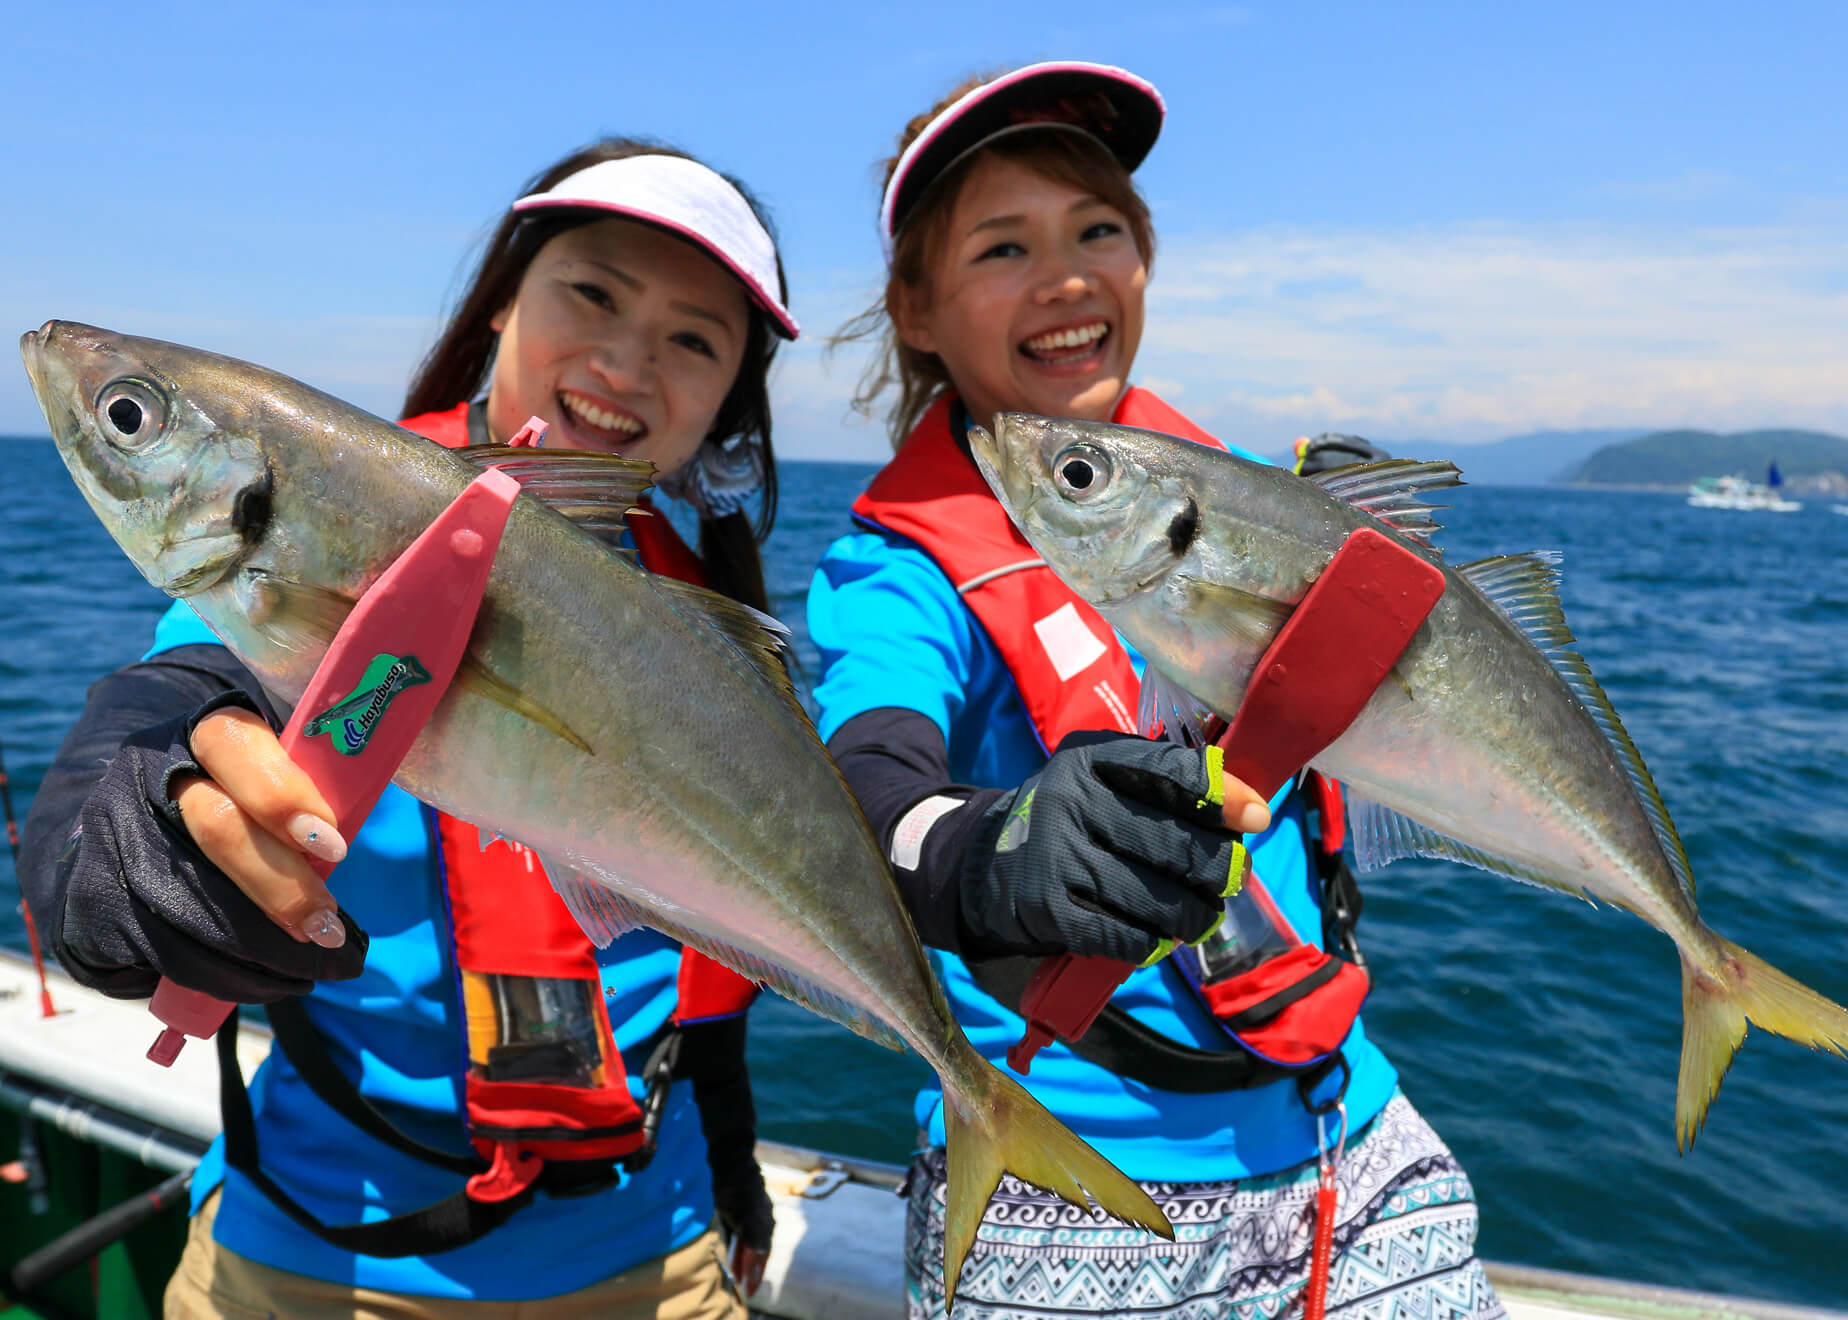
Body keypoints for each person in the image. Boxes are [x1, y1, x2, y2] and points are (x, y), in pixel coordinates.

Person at [21, 138, 797, 1319]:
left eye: (695, 339)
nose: (629, 361)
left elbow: (728, 962)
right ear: (500, 305)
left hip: (661, 1255)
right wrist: (119, 839)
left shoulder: (705, 629)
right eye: (592, 292)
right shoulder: (343, 510)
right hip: (315, 1265)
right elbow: (170, 702)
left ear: (728, 399)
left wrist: (735, 1170)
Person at [809, 63, 1507, 1319]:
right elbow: (861, 787)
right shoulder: (896, 573)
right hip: (1058, 1174)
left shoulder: (1260, 495)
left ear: (1146, 258)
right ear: (914, 308)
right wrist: (994, 851)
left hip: (1352, 1130)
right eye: (1003, 246)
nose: (1067, 275)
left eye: (1099, 230)